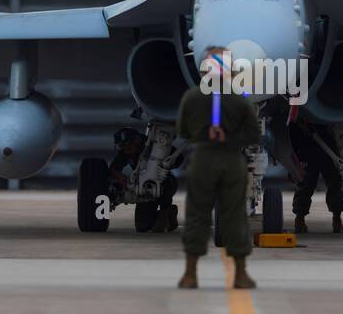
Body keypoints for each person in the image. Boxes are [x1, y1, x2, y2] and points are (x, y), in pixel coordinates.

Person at [175, 48, 261, 289]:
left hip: (202, 159)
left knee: (196, 215)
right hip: (232, 161)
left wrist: (203, 135)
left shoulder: (191, 98)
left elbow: (181, 131)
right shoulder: (240, 100)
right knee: (235, 216)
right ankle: (241, 275)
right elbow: (254, 135)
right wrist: (230, 139)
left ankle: (190, 274)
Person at [110, 127, 177, 232]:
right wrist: (121, 178)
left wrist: (166, 163)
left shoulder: (154, 144)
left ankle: (165, 212)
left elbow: (179, 158)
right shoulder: (126, 151)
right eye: (124, 148)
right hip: (144, 188)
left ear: (137, 141)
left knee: (165, 186)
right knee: (142, 226)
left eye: (128, 147)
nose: (126, 150)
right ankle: (168, 215)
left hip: (163, 182)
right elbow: (114, 168)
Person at [288, 119, 343, 234]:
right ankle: (300, 220)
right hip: (309, 149)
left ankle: (336, 218)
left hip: (327, 151)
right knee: (305, 185)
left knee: (334, 184)